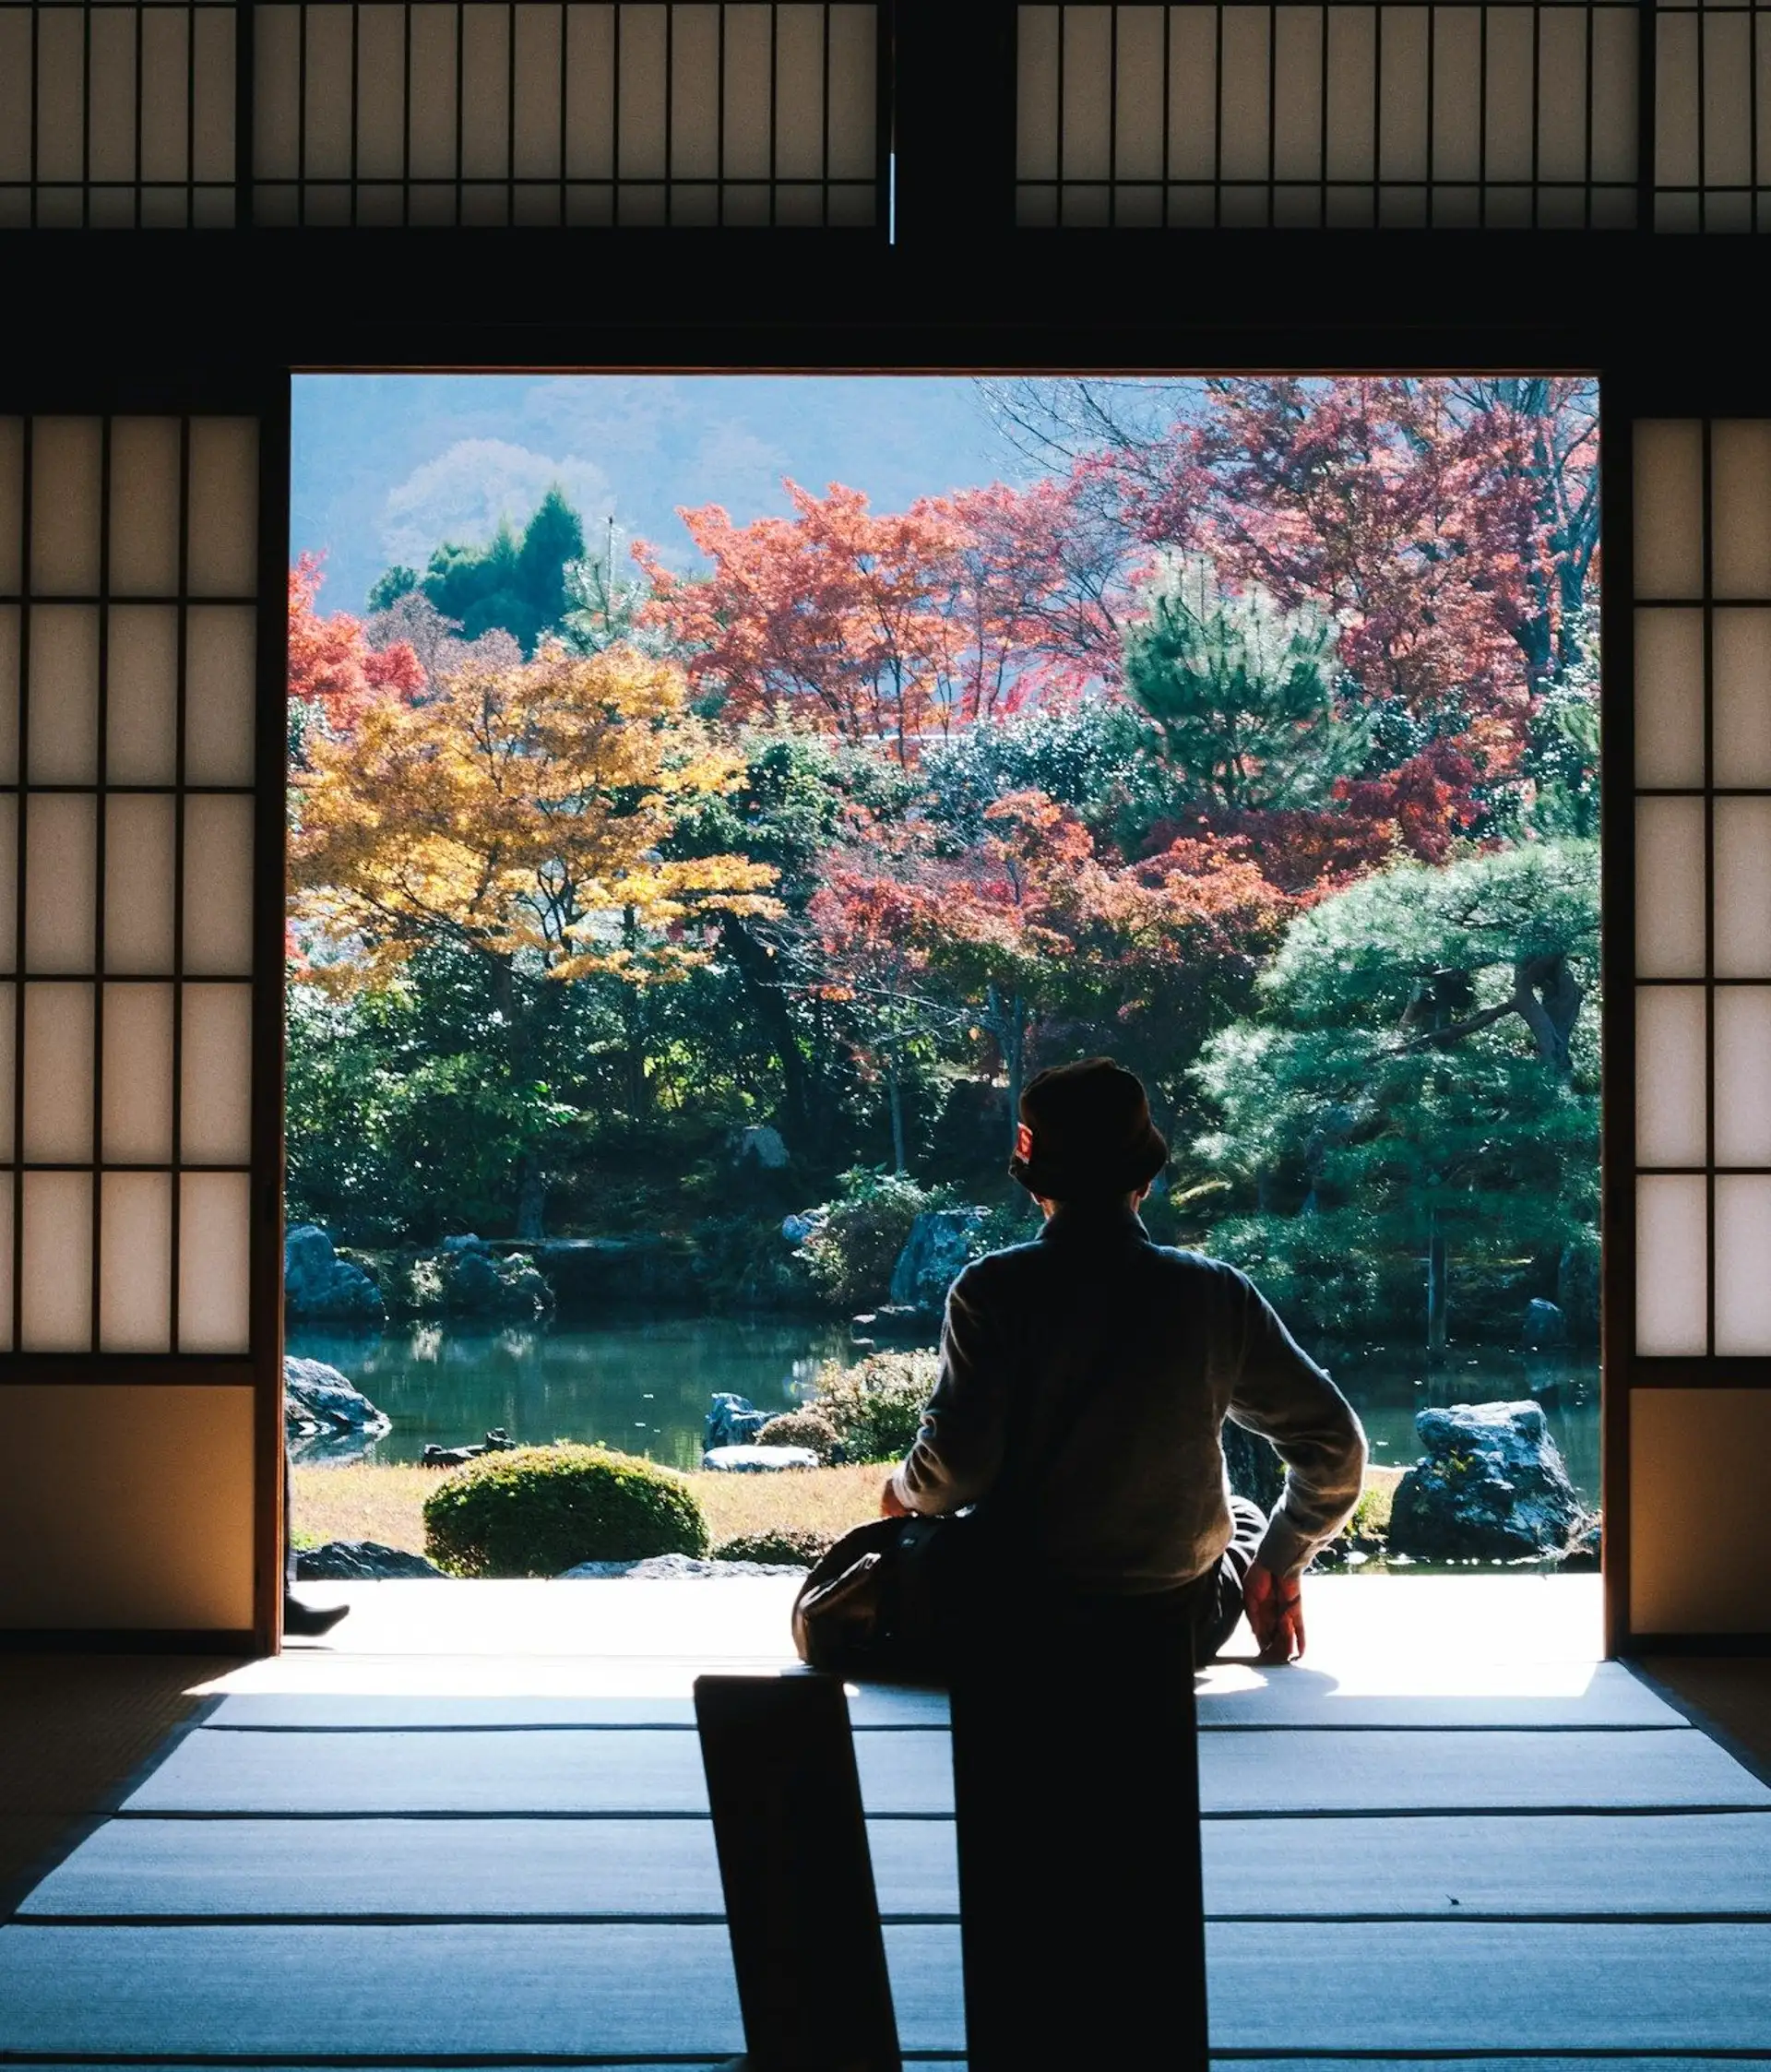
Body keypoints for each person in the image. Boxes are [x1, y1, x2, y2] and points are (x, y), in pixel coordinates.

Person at [880, 1056, 1366, 1665]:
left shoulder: (992, 1289)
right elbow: (1336, 1446)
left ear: (1036, 1184)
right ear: (1145, 1179)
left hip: (1014, 1621)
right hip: (1171, 1627)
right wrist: (1282, 1556)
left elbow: (955, 1470)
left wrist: (901, 1489)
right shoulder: (1214, 1294)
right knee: (1240, 1516)